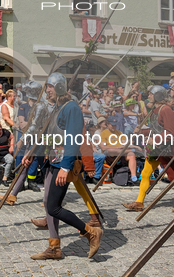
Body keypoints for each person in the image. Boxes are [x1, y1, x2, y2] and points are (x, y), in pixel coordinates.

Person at [31, 72, 103, 261]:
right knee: (49, 204)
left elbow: (73, 138)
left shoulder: (71, 108)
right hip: (52, 161)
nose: (47, 90)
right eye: (47, 87)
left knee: (53, 207)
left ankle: (91, 233)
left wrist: (65, 167)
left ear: (61, 88)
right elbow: (48, 135)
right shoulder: (58, 108)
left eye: (51, 87)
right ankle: (54, 248)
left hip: (61, 163)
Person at [122, 85, 174, 213]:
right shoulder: (155, 109)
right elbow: (155, 128)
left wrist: (155, 140)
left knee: (172, 177)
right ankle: (139, 202)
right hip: (154, 149)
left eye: (151, 94)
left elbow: (169, 132)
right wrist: (141, 130)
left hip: (165, 149)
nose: (149, 96)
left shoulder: (166, 110)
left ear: (158, 95)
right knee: (145, 174)